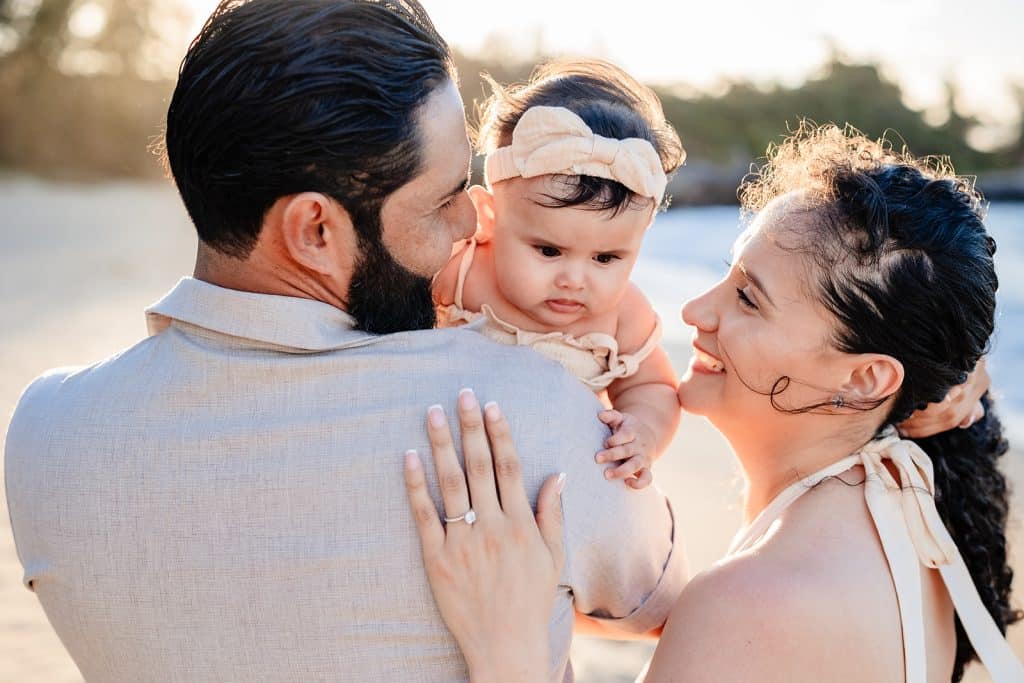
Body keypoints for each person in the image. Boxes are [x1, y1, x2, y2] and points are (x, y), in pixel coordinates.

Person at [3, 2, 687, 681]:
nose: (465, 228)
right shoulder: (524, 421)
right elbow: (662, 606)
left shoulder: (46, 431)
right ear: (315, 231)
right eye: (443, 199)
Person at [405, 124, 1023, 682]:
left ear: (866, 380)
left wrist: (507, 648)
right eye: (727, 274)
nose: (696, 311)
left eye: (749, 300)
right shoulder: (922, 527)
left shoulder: (748, 602)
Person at [434, 60, 685, 488]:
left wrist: (641, 431)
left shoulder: (623, 315)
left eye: (606, 258)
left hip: (559, 482)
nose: (574, 278)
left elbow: (655, 389)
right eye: (549, 250)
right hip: (452, 464)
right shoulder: (460, 272)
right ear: (489, 218)